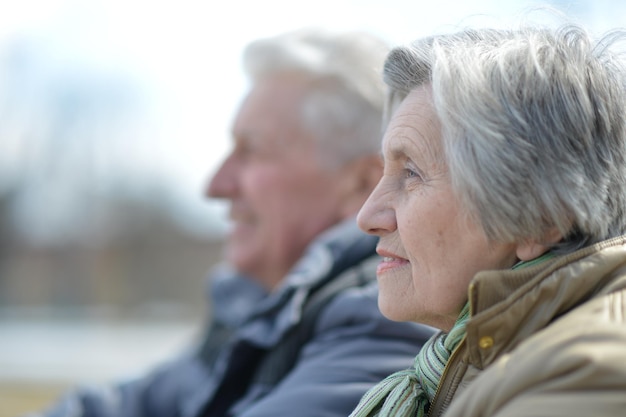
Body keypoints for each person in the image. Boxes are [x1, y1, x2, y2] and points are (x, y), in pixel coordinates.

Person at [33, 28, 435, 417]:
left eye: (252, 151)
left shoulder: (380, 314)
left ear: (361, 184)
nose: (215, 186)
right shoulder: (257, 304)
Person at [346, 21, 626, 417]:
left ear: (541, 217)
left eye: (411, 173)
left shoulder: (585, 375)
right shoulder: (463, 367)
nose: (367, 216)